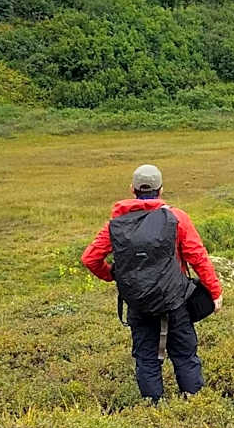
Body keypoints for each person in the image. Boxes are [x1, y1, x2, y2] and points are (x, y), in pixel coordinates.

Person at [81, 165, 223, 402]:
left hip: (138, 303)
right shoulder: (177, 218)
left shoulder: (116, 224)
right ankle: (194, 405)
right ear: (161, 189)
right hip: (175, 300)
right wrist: (214, 291)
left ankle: (152, 409)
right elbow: (197, 257)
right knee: (185, 355)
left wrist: (113, 276)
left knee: (146, 357)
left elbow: (89, 258)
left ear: (132, 190)